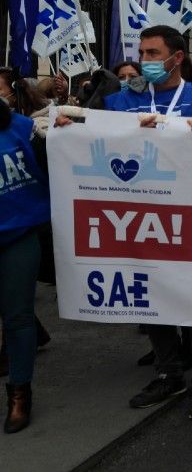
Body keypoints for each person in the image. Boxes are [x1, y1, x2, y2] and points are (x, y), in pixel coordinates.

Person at [54, 26, 192, 420]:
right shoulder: (118, 102)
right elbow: (90, 138)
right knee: (153, 300)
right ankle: (169, 372)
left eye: (152, 53)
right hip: (140, 219)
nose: (145, 61)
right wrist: (67, 129)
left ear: (177, 58)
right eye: (142, 53)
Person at [0, 98, 50, 433]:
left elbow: (56, 164)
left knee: (17, 317)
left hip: (17, 237)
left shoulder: (21, 127)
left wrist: (62, 135)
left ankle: (20, 392)